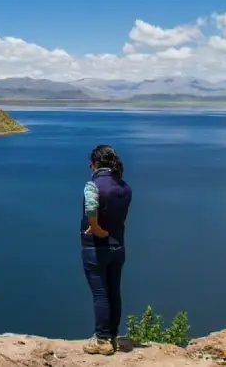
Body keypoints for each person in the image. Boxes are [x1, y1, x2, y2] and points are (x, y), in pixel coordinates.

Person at [81, 144, 132, 355]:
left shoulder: (92, 186)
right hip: (118, 247)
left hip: (96, 247)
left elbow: (91, 207)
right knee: (113, 291)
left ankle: (101, 340)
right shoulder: (125, 186)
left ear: (94, 164)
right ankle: (111, 336)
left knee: (100, 294)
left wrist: (94, 227)